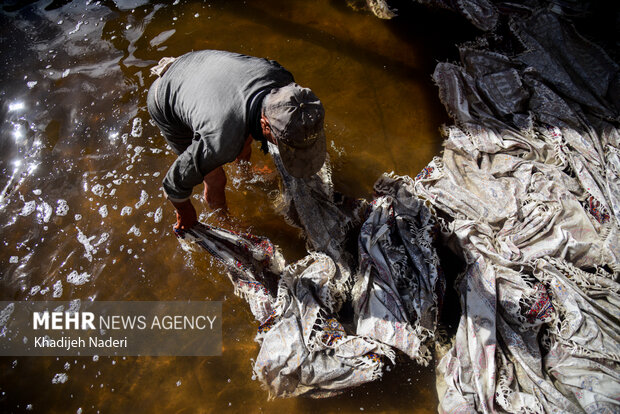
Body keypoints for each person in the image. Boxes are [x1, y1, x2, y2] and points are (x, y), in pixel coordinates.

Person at [147, 50, 327, 231]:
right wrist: (185, 213)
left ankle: (245, 173)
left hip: (201, 69)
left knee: (242, 138)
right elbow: (173, 183)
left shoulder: (283, 79)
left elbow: (244, 116)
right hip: (165, 95)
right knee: (215, 176)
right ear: (265, 124)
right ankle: (224, 219)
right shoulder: (220, 141)